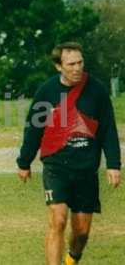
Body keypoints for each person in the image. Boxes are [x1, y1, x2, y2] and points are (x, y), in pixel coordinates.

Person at [16, 42, 121, 265]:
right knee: (58, 220)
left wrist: (114, 164)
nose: (77, 68)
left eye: (80, 62)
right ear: (58, 66)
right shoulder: (46, 91)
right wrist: (24, 162)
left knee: (81, 232)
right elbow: (33, 129)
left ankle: (72, 259)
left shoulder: (97, 90)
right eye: (71, 64)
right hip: (56, 166)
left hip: (86, 169)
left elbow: (108, 129)